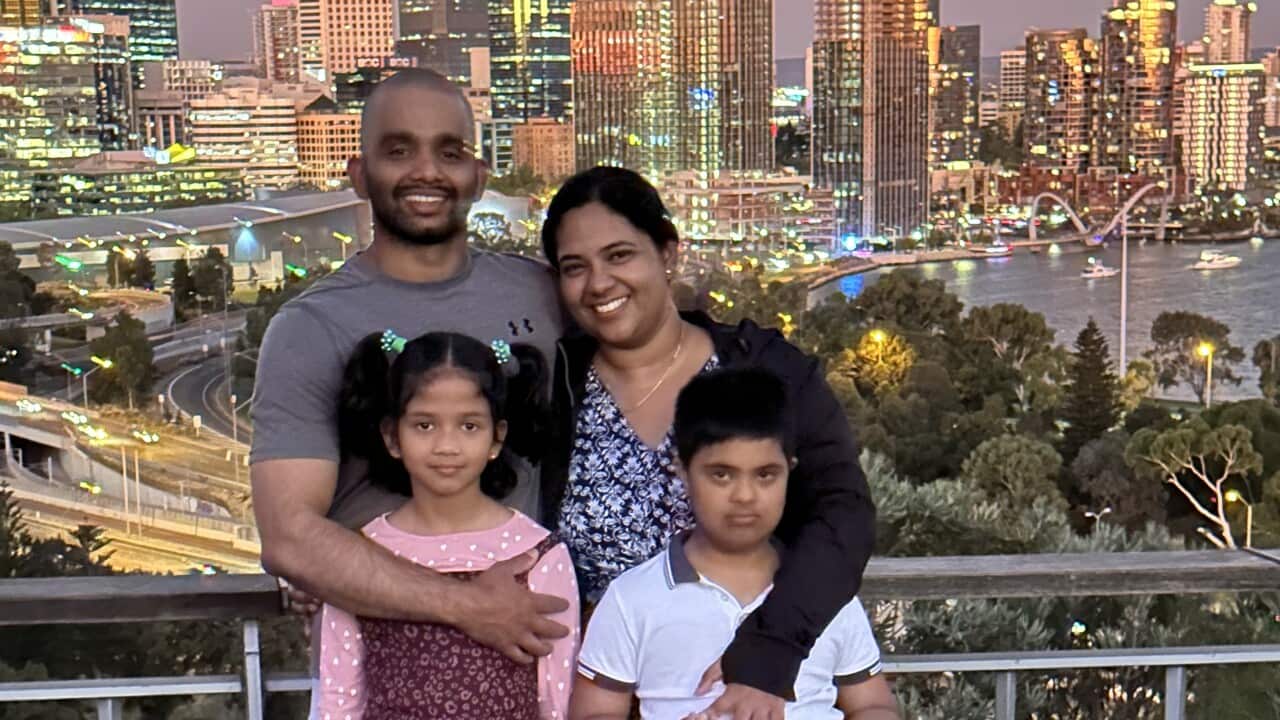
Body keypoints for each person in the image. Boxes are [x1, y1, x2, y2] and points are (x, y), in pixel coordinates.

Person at [250, 68, 569, 664]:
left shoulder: (543, 295)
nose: (427, 171)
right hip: (384, 668)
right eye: (399, 150)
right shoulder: (308, 329)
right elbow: (290, 537)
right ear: (358, 172)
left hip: (538, 659)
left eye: (449, 152)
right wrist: (469, 605)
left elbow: (655, 351)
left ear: (478, 175)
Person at [540, 167, 876, 718]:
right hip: (595, 686)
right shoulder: (554, 389)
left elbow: (845, 514)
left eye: (620, 255)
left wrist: (771, 652)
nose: (598, 283)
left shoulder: (766, 371)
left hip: (756, 686)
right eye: (575, 267)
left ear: (667, 253)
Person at [570, 369, 897, 720]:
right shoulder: (631, 598)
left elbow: (872, 704)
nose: (744, 496)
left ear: (790, 470)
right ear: (681, 470)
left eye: (765, 475)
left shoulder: (822, 592)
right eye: (721, 474)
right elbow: (593, 712)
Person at [314, 330, 578, 719]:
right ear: (392, 436)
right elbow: (340, 702)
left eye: (469, 426)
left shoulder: (538, 556)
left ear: (496, 438)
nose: (446, 446)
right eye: (425, 425)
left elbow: (557, 701)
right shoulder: (362, 554)